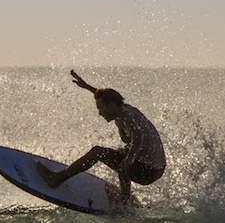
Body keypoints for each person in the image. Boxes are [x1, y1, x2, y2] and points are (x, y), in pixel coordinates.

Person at [36, 70, 166, 205]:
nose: (99, 113)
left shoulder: (125, 116)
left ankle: (56, 179)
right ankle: (125, 199)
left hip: (148, 171)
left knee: (99, 152)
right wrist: (87, 87)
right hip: (156, 169)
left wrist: (128, 160)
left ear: (111, 105)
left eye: (101, 108)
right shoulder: (125, 109)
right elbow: (108, 98)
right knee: (124, 153)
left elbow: (139, 136)